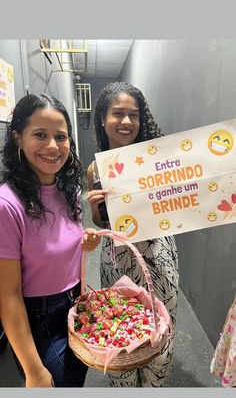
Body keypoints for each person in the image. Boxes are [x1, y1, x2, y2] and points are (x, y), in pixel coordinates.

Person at [0, 94, 101, 388]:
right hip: (38, 318)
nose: (53, 146)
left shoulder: (69, 191)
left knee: (76, 379)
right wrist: (33, 369)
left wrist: (86, 241)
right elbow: (8, 295)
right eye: (40, 135)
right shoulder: (7, 205)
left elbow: (58, 244)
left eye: (61, 136)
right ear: (18, 138)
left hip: (76, 305)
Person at [87, 82, 179, 387]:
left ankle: (155, 384)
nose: (127, 122)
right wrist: (98, 207)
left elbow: (176, 205)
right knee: (120, 327)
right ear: (102, 118)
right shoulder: (94, 170)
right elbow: (100, 222)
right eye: (118, 114)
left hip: (157, 254)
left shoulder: (157, 162)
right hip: (117, 257)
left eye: (134, 115)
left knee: (160, 328)